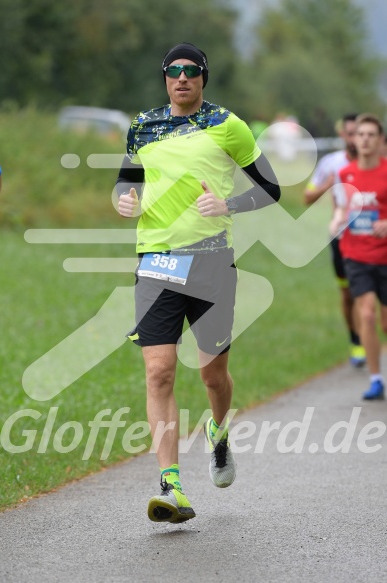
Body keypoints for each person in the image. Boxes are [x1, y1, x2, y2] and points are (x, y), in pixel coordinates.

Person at [115, 42, 280, 523]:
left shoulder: (227, 125)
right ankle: (171, 487)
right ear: (164, 78)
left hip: (211, 264)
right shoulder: (143, 125)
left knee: (212, 376)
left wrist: (228, 205)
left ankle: (219, 430)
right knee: (160, 371)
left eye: (190, 71)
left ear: (204, 77)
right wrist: (124, 199)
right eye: (173, 71)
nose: (181, 78)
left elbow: (270, 188)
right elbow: (128, 180)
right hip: (156, 263)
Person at [330, 113, 387, 400]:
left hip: (385, 257)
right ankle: (376, 379)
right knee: (365, 313)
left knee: (385, 322)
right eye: (360, 134)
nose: (364, 139)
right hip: (356, 254)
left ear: (380, 141)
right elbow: (342, 207)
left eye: (370, 135)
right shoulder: (345, 174)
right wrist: (336, 220)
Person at [304, 113, 366, 368]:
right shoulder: (331, 163)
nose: (354, 138)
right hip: (341, 237)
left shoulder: (375, 161)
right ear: (343, 134)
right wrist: (326, 186)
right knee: (348, 292)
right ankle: (357, 341)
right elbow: (307, 197)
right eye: (350, 133)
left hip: (372, 236)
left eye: (358, 133)